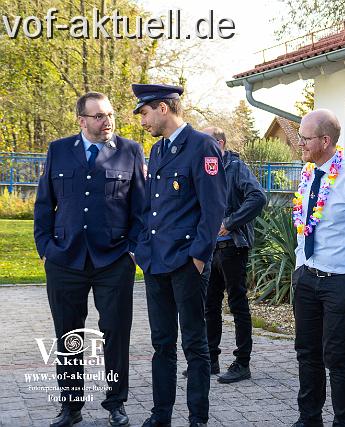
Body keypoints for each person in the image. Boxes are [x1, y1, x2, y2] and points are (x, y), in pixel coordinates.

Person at [34, 91, 145, 427]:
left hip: (113, 259)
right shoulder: (59, 150)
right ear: (81, 119)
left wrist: (130, 249)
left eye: (110, 114)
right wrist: (46, 249)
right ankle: (71, 406)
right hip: (65, 259)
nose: (106, 121)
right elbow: (44, 204)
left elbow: (141, 210)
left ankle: (116, 403)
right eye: (98, 116)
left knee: (115, 333)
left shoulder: (130, 151)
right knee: (68, 334)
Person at [132, 84, 227, 427]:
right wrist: (140, 247)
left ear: (162, 108)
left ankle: (197, 418)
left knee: (195, 345)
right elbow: (150, 208)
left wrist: (199, 258)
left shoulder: (202, 146)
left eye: (144, 113)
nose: (142, 121)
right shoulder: (157, 151)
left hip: (186, 263)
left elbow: (214, 207)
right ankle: (161, 415)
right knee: (161, 344)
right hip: (156, 262)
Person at [291, 109, 345, 427]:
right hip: (307, 278)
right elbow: (304, 225)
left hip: (342, 282)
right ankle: (309, 417)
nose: (299, 142)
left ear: (325, 140)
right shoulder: (308, 173)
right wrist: (300, 267)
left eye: (305, 137)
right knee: (307, 352)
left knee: (338, 356)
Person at [181, 126, 266, 383]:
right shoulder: (204, 168)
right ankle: (211, 360)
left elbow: (258, 197)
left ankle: (242, 363)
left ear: (219, 143)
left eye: (205, 142)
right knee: (210, 305)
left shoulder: (235, 167)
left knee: (237, 304)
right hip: (208, 248)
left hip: (232, 247)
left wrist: (230, 222)